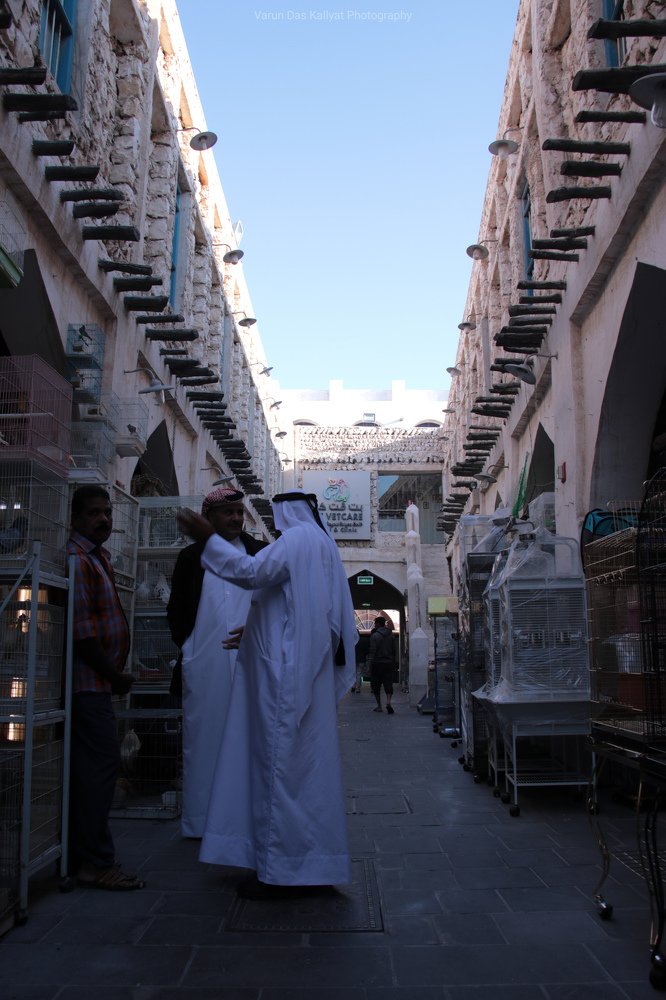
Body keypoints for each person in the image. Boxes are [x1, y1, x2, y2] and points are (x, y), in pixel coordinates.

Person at [177, 489, 358, 900]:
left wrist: (207, 539)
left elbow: (250, 573)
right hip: (304, 675)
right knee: (306, 778)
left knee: (276, 774)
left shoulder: (295, 541)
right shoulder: (322, 545)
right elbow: (298, 607)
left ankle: (278, 872)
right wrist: (258, 626)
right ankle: (312, 864)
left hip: (283, 680)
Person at [167, 486, 267, 838]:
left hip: (255, 660)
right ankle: (202, 822)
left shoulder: (260, 553)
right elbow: (177, 613)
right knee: (205, 738)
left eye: (239, 512)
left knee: (253, 739)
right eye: (228, 512)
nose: (237, 518)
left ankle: (250, 820)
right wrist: (194, 648)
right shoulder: (190, 558)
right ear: (209, 518)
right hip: (206, 663)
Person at [67, 484, 144, 890]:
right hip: (89, 685)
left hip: (98, 684)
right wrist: (113, 676)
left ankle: (81, 857)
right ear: (76, 518)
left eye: (107, 513)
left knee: (91, 771)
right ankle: (96, 863)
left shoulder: (98, 558)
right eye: (94, 513)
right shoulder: (79, 560)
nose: (103, 520)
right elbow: (83, 633)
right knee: (99, 772)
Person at [368, 616, 396, 714]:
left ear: (378, 624)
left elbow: (372, 652)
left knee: (376, 685)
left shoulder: (375, 636)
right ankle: (388, 702)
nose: (374, 625)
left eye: (375, 623)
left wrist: (370, 665)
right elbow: (394, 651)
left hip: (377, 663)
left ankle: (379, 706)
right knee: (388, 683)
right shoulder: (391, 636)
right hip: (388, 663)